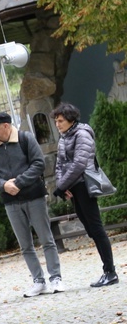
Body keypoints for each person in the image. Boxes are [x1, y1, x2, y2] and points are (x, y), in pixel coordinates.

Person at [0, 112, 63, 297]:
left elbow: (38, 164)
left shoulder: (25, 138)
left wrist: (17, 183)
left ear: (5, 125)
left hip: (34, 197)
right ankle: (38, 281)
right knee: (25, 245)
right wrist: (3, 185)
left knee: (47, 240)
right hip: (11, 202)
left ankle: (55, 278)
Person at [50, 103, 118, 287]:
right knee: (91, 229)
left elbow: (79, 164)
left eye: (61, 120)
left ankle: (110, 272)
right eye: (56, 121)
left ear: (71, 119)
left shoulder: (82, 133)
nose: (57, 124)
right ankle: (108, 271)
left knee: (96, 229)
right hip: (74, 187)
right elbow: (60, 165)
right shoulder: (64, 137)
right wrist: (62, 186)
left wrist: (62, 185)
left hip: (84, 186)